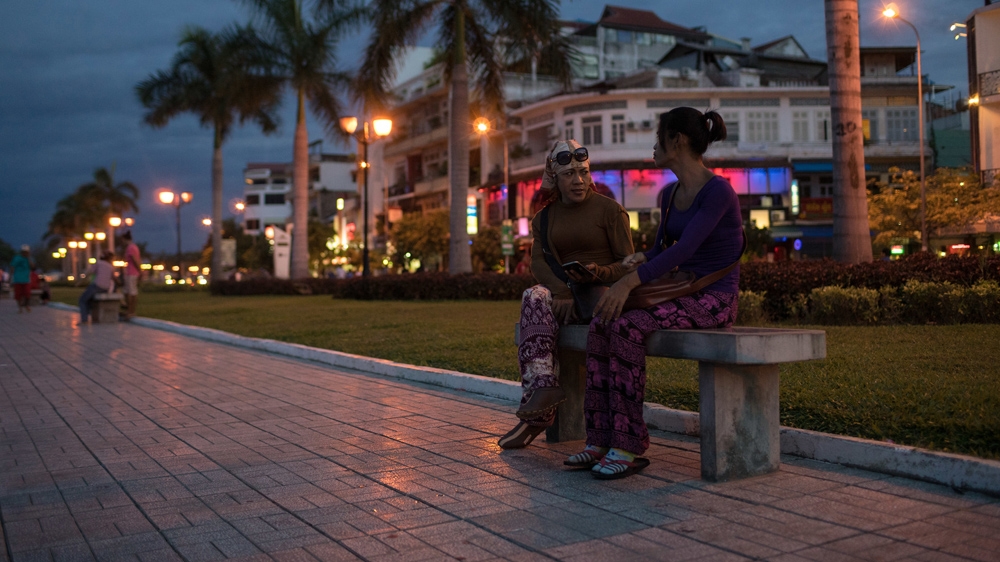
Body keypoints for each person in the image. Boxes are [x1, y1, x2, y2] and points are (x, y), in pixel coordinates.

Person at [566, 107, 743, 479]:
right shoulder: (669, 193)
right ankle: (599, 439)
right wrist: (638, 260)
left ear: (676, 141)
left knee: (628, 328)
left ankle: (628, 446)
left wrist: (629, 282)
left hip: (715, 298)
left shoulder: (718, 192)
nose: (653, 147)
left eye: (658, 137)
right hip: (680, 293)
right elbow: (666, 247)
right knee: (603, 321)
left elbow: (687, 250)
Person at [498, 140, 634, 449]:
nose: (578, 181)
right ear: (555, 178)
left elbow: (627, 264)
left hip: (601, 300)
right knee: (534, 294)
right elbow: (537, 262)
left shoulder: (611, 211)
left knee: (536, 303)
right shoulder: (544, 218)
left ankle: (535, 415)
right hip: (563, 300)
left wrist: (598, 272)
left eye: (583, 173)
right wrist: (560, 292)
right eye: (570, 174)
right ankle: (543, 390)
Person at [78, 251, 115, 324]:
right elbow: (113, 278)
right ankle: (89, 314)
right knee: (89, 299)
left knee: (82, 300)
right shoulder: (111, 267)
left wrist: (80, 282)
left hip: (97, 286)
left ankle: (84, 320)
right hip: (105, 288)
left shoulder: (99, 263)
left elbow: (89, 272)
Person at [121, 230, 141, 320]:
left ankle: (131, 311)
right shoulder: (134, 247)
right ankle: (129, 310)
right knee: (127, 292)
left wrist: (140, 270)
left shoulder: (130, 248)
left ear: (125, 239)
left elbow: (134, 260)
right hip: (130, 273)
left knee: (131, 293)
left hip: (132, 273)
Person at [10, 245, 34, 313]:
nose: (25, 253)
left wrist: (29, 258)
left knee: (27, 293)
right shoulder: (16, 258)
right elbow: (12, 267)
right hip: (17, 279)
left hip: (26, 279)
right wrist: (10, 278)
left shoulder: (30, 258)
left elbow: (33, 267)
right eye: (24, 252)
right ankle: (20, 308)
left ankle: (26, 305)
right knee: (18, 295)